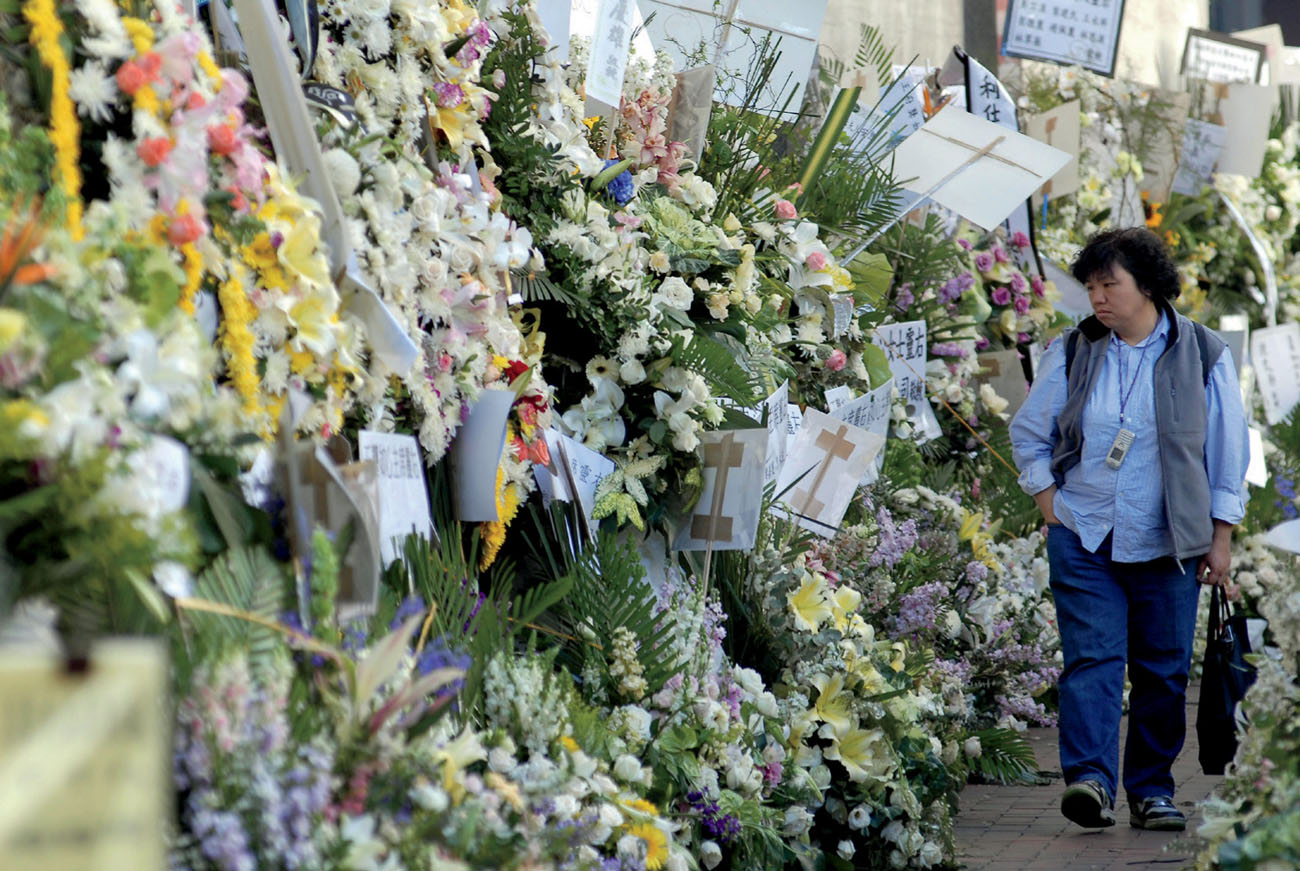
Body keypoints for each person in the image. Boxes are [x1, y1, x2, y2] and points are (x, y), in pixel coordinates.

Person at [1009, 227, 1249, 832]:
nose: (1097, 298)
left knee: (1162, 670)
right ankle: (1090, 779)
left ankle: (1151, 789)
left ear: (1147, 284)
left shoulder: (1204, 353)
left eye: (1108, 284)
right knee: (1092, 660)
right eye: (1090, 287)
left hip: (1169, 542)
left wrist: (1220, 540)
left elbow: (1227, 455)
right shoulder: (1072, 350)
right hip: (1085, 535)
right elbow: (1029, 433)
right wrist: (1049, 504)